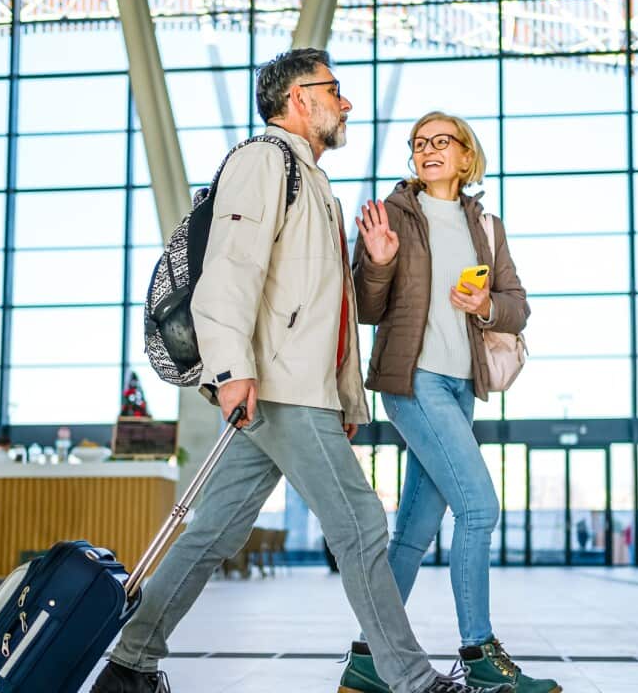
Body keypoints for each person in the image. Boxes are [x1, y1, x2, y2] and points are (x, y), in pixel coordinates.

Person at [90, 50, 499, 693]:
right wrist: (229, 370)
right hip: (277, 387)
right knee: (363, 526)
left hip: (294, 388)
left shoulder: (311, 179)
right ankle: (411, 681)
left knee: (216, 530)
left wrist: (345, 399)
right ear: (299, 100)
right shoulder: (264, 161)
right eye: (334, 90)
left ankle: (128, 666)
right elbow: (231, 270)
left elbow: (320, 309)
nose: (346, 102)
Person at [339, 111, 558, 693]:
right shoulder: (392, 215)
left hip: (463, 387)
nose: (428, 149)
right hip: (413, 383)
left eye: (441, 141)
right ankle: (479, 653)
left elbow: (517, 306)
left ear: (466, 156)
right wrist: (379, 261)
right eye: (418, 143)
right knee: (480, 510)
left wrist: (486, 304)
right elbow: (365, 305)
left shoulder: (485, 223)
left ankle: (367, 662)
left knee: (414, 532)